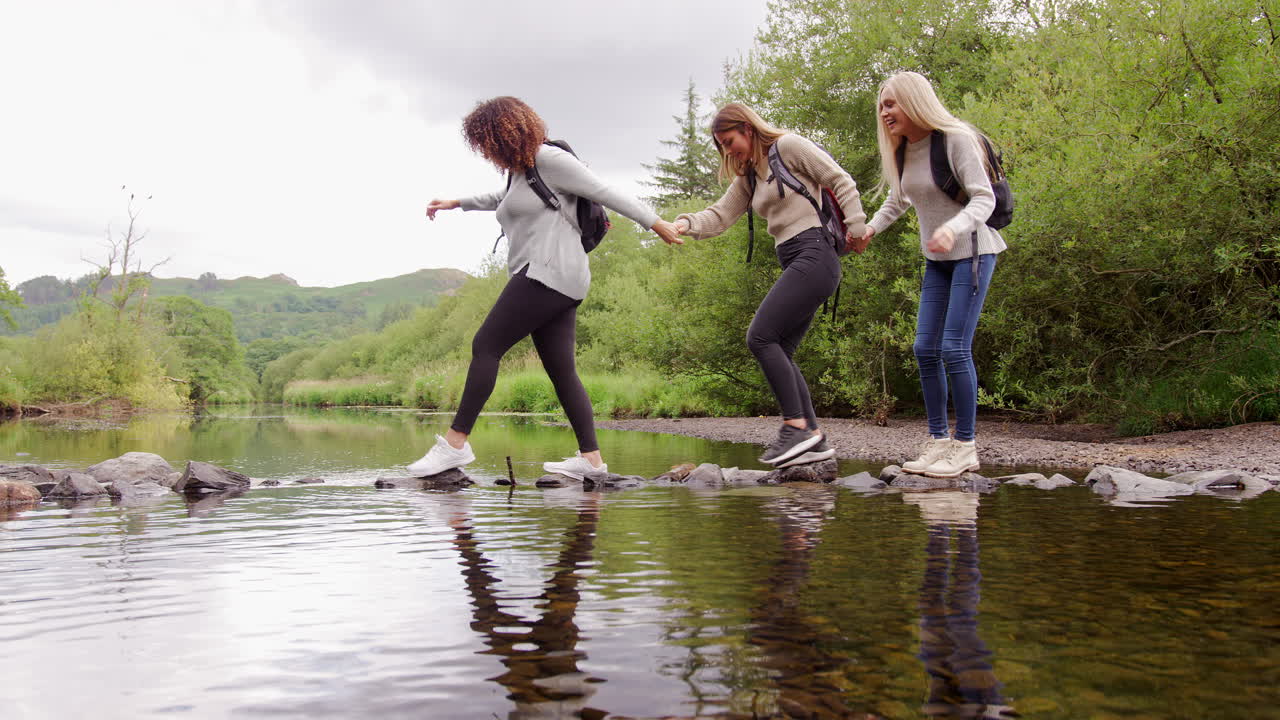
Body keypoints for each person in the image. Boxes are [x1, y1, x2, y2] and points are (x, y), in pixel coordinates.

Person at [412, 96, 683, 479]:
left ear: (507, 134)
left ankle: (455, 444)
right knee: (561, 369)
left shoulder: (549, 160)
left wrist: (656, 224)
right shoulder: (520, 172)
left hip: (547, 272)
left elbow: (604, 191)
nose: (488, 152)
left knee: (486, 345)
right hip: (559, 278)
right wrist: (458, 202)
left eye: (489, 143)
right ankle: (591, 461)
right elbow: (501, 199)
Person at [670, 103, 867, 468]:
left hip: (816, 254)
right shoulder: (750, 176)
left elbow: (840, 179)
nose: (729, 151)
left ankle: (796, 427)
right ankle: (815, 438)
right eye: (722, 146)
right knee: (781, 349)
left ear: (747, 128)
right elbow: (719, 215)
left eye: (730, 141)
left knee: (759, 337)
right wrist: (682, 224)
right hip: (796, 260)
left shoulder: (789, 147)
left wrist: (857, 228)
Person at [860, 71, 1007, 478]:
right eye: (882, 105)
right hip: (937, 262)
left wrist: (951, 228)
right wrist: (870, 229)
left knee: (954, 348)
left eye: (891, 103)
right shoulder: (905, 149)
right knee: (925, 349)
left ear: (914, 101)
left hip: (973, 252)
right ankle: (939, 442)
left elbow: (984, 198)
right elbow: (898, 200)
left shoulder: (956, 139)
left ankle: (966, 448)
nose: (884, 111)